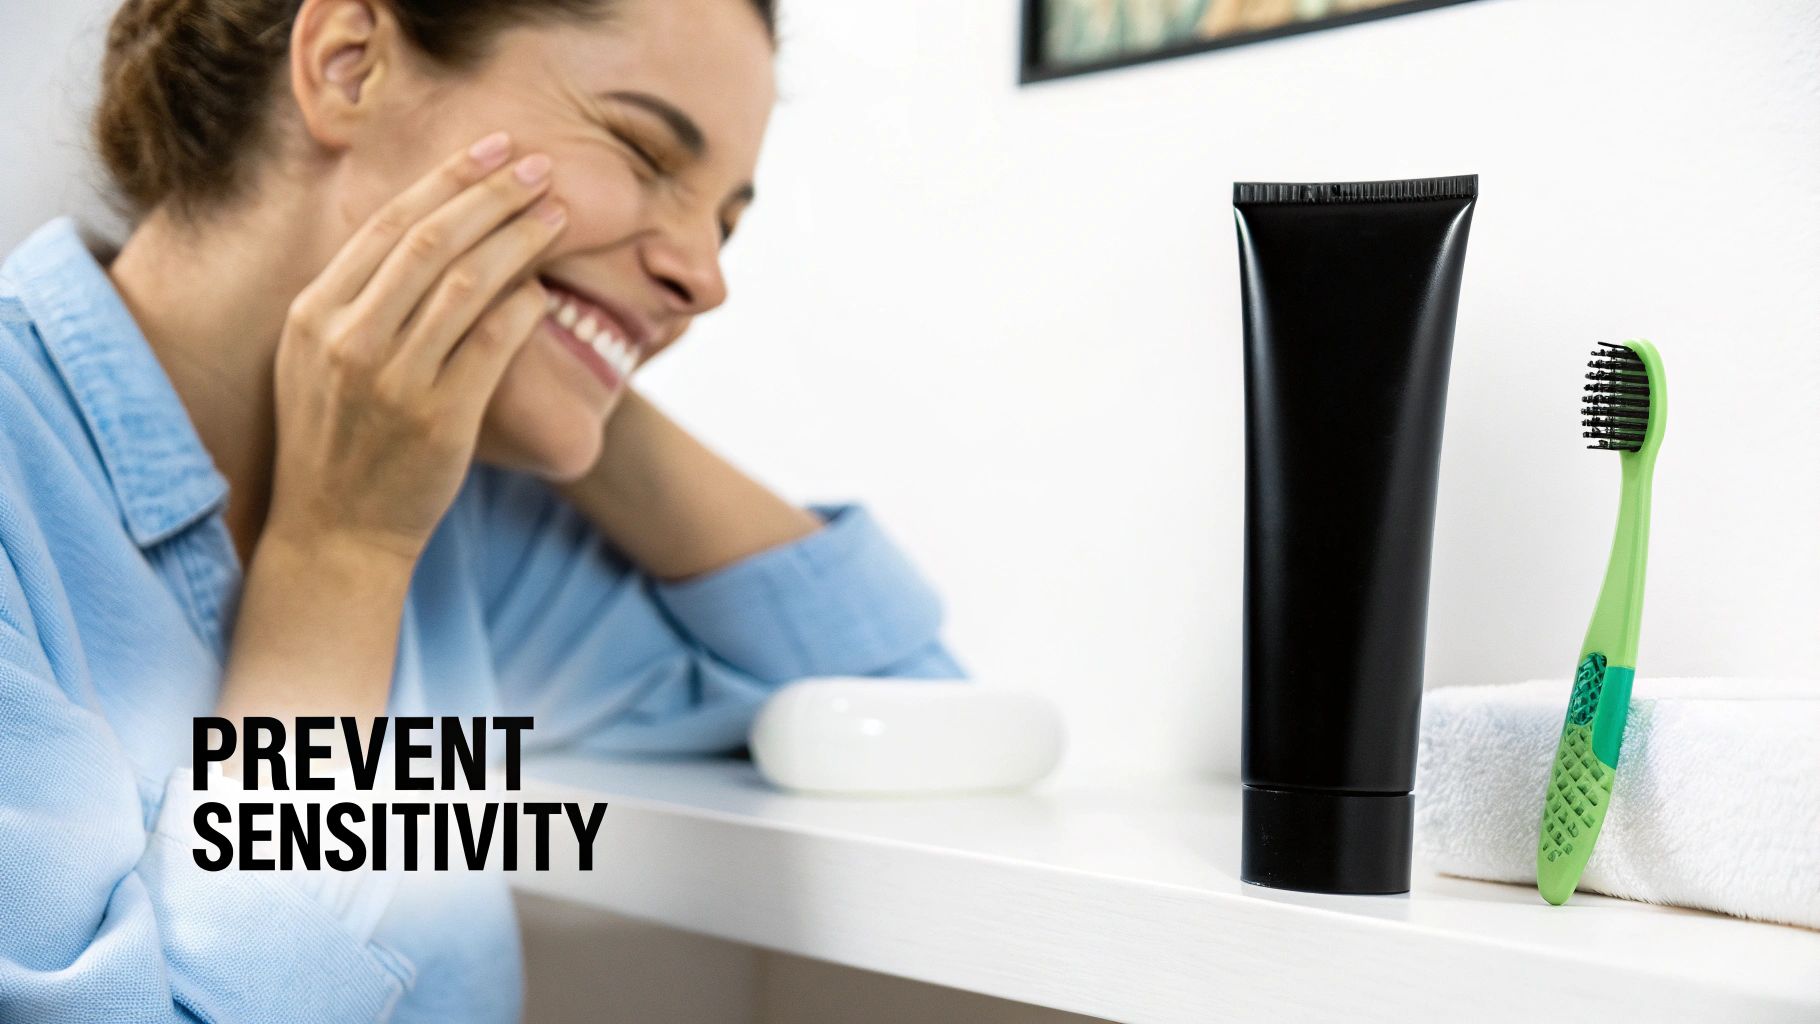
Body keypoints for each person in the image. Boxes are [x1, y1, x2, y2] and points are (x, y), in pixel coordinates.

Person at [0, 0, 963, 1020]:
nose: (705, 277)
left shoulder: (456, 510)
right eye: (642, 151)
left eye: (724, 224)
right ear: (349, 65)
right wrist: (340, 559)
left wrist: (577, 386)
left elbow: (905, 716)